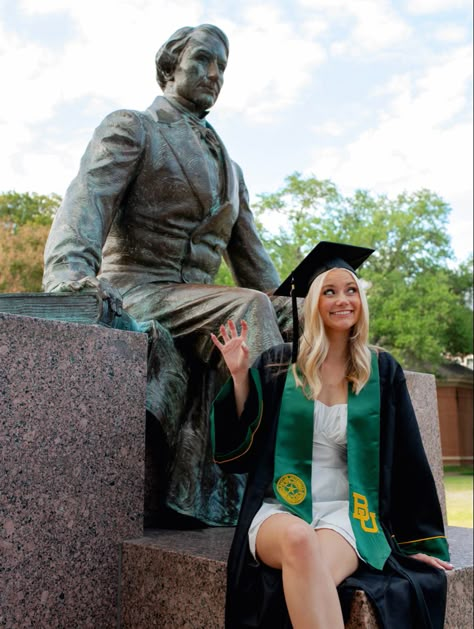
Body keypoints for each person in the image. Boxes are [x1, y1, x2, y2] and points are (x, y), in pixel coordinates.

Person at [42, 24, 292, 526]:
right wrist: (68, 275)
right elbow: (86, 204)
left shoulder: (233, 170)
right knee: (249, 308)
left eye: (222, 66)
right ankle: (274, 479)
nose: (214, 74)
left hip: (201, 303)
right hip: (138, 289)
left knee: (314, 312)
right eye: (202, 60)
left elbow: (257, 269)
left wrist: (310, 300)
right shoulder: (132, 127)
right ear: (169, 67)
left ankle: (358, 481)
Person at [210, 241, 452, 629]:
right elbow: (238, 453)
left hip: (349, 513)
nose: (343, 300)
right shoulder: (279, 363)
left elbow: (408, 458)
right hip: (281, 509)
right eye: (330, 291)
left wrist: (419, 543)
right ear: (314, 303)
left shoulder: (381, 371)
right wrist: (239, 376)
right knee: (300, 542)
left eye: (351, 290)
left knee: (307, 577)